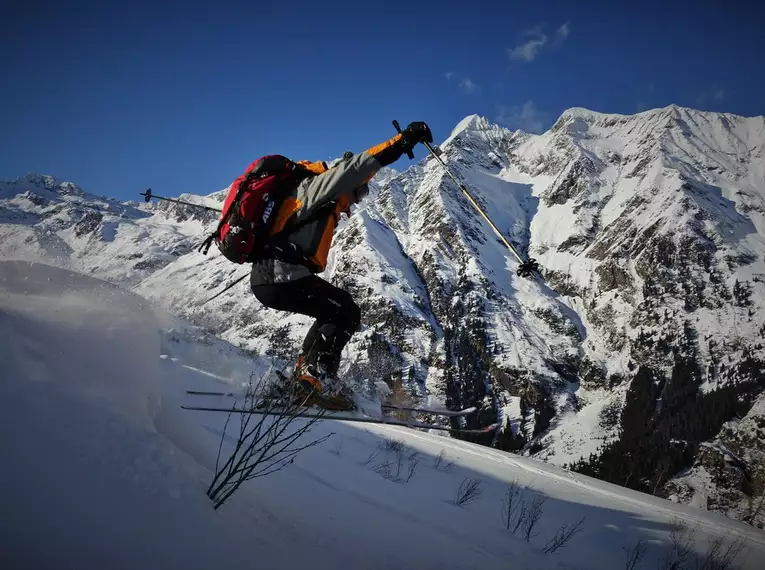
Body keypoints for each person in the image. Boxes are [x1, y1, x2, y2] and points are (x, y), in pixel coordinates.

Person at [250, 121, 433, 410]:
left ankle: (305, 378)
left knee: (333, 309)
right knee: (345, 310)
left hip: (274, 278)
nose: (357, 202)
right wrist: (404, 141)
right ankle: (314, 382)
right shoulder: (324, 186)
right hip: (278, 277)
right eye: (360, 193)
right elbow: (363, 164)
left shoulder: (309, 193)